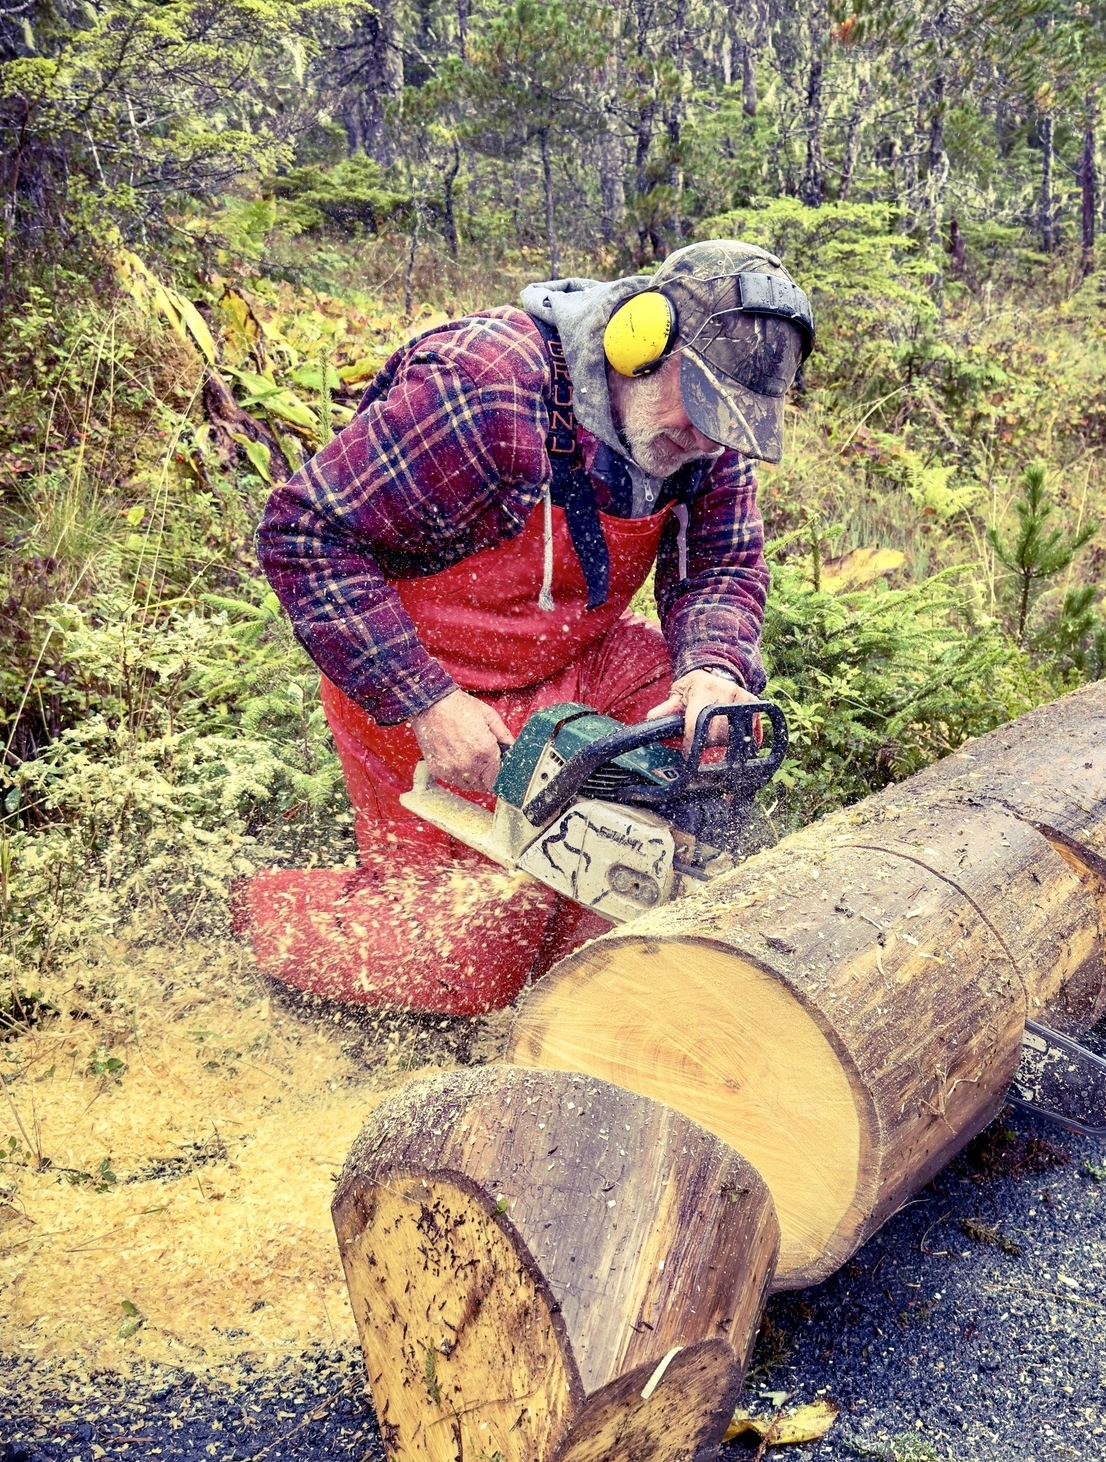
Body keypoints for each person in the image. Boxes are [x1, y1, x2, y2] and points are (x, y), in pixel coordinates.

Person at [238, 239, 813, 1014]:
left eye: (731, 423)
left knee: (695, 750)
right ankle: (255, 919)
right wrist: (424, 700)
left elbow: (721, 564)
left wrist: (710, 668)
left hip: (579, 651)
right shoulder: (485, 386)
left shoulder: (706, 440)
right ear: (641, 340)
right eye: (703, 409)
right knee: (470, 957)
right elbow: (304, 532)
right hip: (431, 674)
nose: (709, 441)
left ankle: (609, 961)